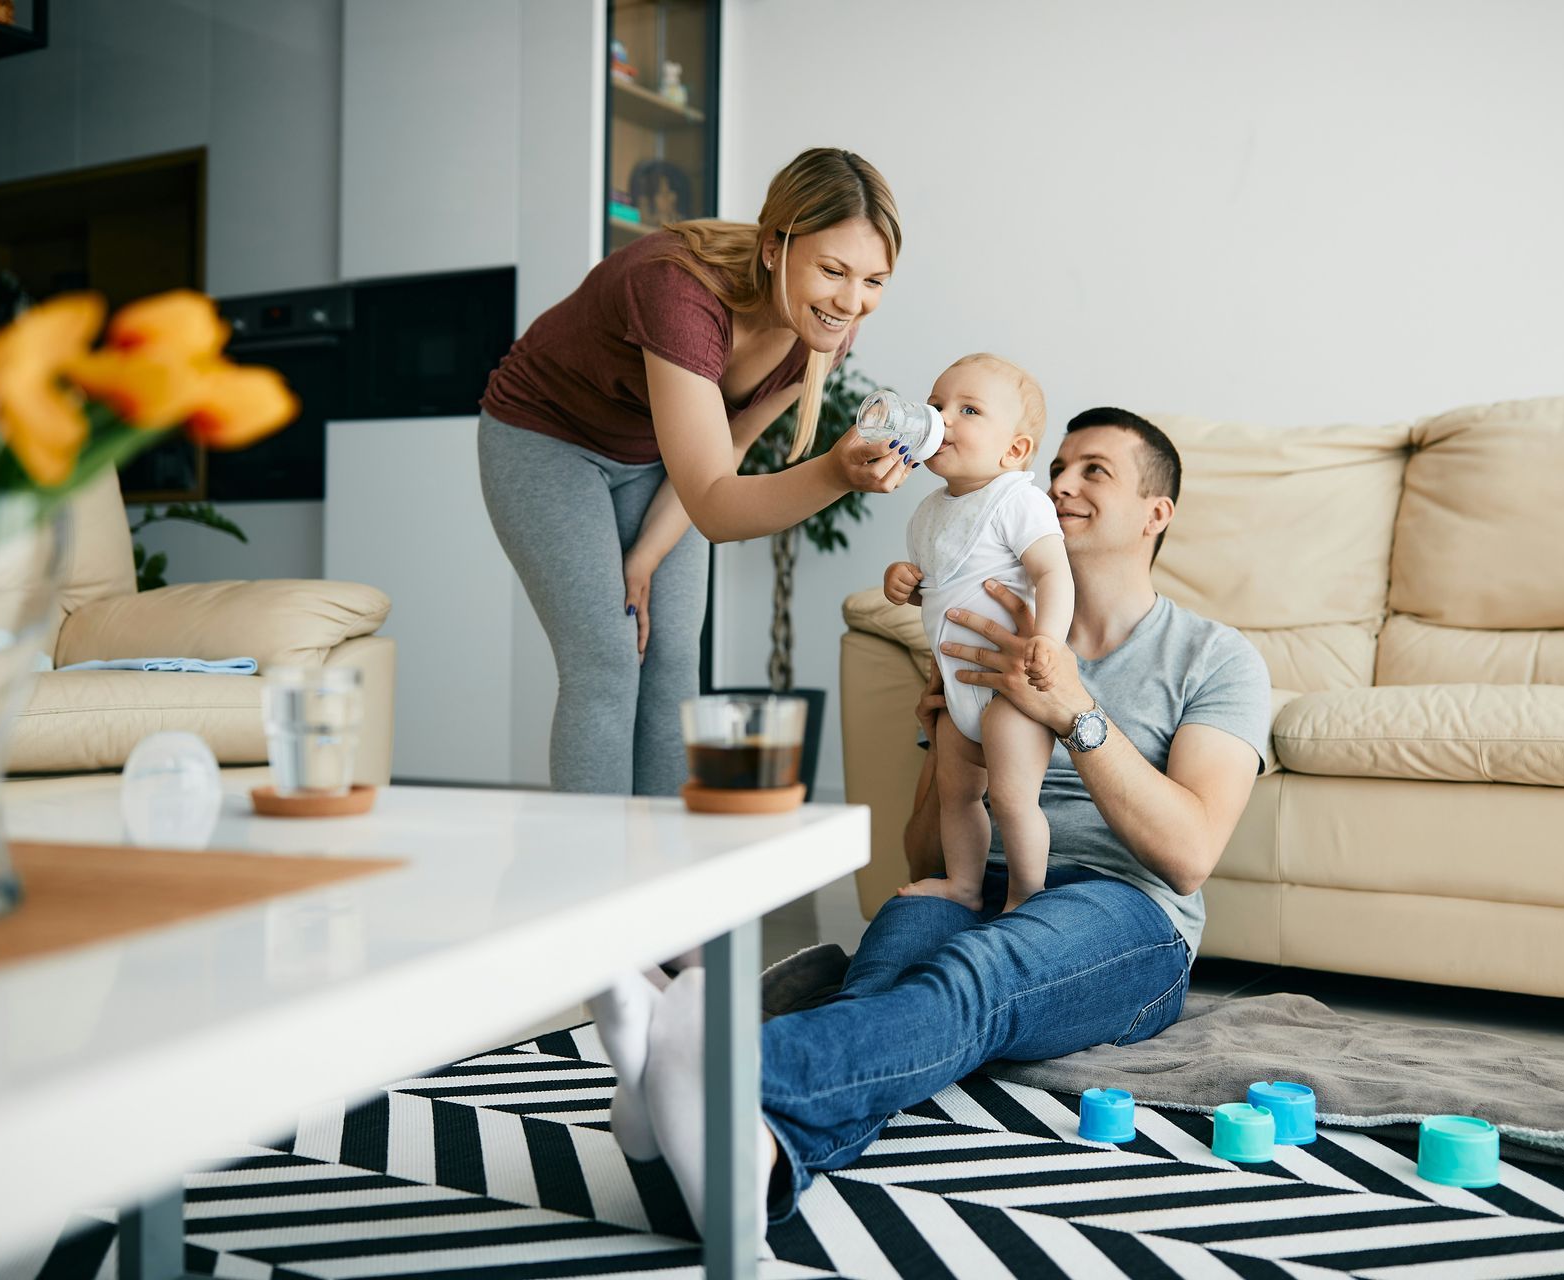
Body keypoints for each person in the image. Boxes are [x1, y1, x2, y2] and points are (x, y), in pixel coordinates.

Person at [592, 407, 1274, 1236]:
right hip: (981, 875)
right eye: (1059, 465)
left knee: (978, 972)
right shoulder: (981, 630)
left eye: (1095, 471)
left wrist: (1074, 711)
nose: (1062, 483)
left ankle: (716, 1071)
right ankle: (749, 1158)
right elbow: (922, 852)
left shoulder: (1215, 657)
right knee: (890, 971)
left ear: (1155, 513)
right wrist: (950, 736)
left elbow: (1190, 855)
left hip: (1127, 913)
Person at [478, 148, 914, 796]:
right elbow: (715, 503)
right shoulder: (679, 289)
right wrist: (836, 474)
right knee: (606, 659)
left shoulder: (826, 329)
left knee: (676, 659)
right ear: (774, 248)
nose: (852, 301)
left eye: (874, 280)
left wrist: (646, 556)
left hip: (658, 457)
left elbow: (727, 447)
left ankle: (666, 874)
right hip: (548, 438)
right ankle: (591, 875)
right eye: (833, 270)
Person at [881, 353, 1074, 912]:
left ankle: (1023, 894)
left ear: (1013, 451)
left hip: (1011, 688)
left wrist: (1050, 641)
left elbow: (1052, 572)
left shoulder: (1018, 499)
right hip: (956, 684)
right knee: (957, 796)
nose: (944, 418)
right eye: (937, 404)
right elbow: (938, 586)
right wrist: (904, 582)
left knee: (1014, 799)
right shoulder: (927, 513)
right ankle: (964, 885)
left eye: (969, 409)